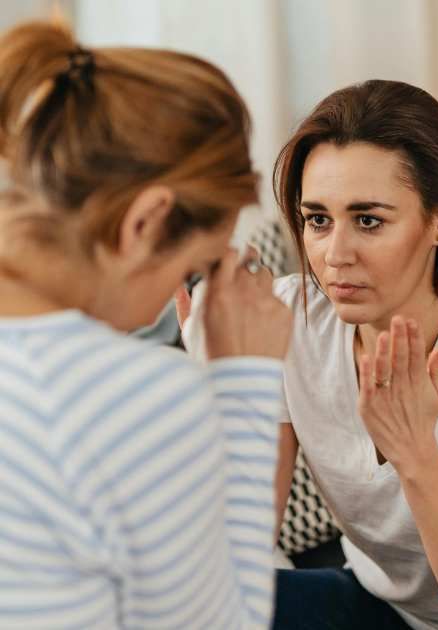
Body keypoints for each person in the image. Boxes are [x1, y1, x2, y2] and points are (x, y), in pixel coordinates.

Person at [181, 80, 438, 630]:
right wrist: (225, 387)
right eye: (318, 220)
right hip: (385, 607)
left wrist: (414, 451)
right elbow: (236, 556)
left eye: (369, 220)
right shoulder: (289, 318)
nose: (335, 254)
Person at [0, 21, 290, 629]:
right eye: (193, 267)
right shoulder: (131, 395)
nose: (172, 299)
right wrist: (243, 388)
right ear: (145, 223)